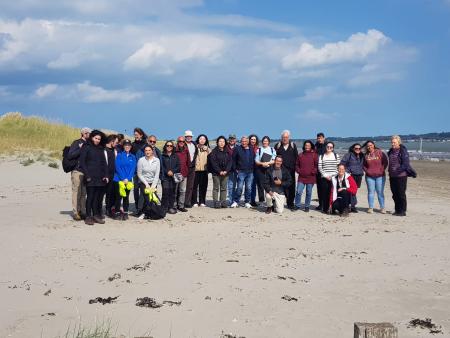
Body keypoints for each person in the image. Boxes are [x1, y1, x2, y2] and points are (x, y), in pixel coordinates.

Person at [79, 130, 109, 225]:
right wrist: (87, 176)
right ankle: (88, 216)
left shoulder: (101, 148)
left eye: (99, 139)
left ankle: (96, 215)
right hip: (90, 177)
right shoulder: (86, 147)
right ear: (92, 137)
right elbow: (82, 163)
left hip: (100, 177)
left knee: (97, 197)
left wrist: (106, 175)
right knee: (90, 197)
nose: (97, 140)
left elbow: (104, 163)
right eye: (96, 138)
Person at [67, 127, 91, 220]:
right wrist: (80, 149)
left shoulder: (89, 144)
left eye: (89, 133)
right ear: (82, 134)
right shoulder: (77, 142)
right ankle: (75, 212)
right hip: (77, 170)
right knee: (76, 191)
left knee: (83, 192)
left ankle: (82, 211)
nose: (88, 134)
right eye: (87, 133)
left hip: (86, 172)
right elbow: (70, 155)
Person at [135, 134, 162, 215]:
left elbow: (157, 174)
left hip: (153, 180)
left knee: (152, 196)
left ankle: (150, 211)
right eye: (151, 141)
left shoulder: (157, 155)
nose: (152, 142)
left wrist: (153, 185)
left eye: (154, 141)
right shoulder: (141, 156)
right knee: (143, 197)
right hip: (143, 180)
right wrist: (146, 184)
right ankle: (140, 211)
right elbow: (139, 173)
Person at [388, 135, 414, 216]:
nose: (393, 144)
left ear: (399, 142)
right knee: (394, 194)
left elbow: (406, 164)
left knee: (401, 193)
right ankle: (397, 210)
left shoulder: (403, 151)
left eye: (394, 142)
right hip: (392, 176)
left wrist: (397, 170)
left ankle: (402, 211)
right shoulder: (390, 151)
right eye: (392, 142)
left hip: (401, 176)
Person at [274, 130, 298, 210]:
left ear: (289, 137)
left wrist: (296, 168)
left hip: (291, 171)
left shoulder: (293, 145)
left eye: (286, 137)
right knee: (278, 186)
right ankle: (276, 203)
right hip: (279, 170)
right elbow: (274, 157)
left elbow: (297, 158)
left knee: (291, 187)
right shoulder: (277, 145)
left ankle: (290, 203)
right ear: (281, 138)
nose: (285, 139)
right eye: (283, 137)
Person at [113, 139, 136, 220]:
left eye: (129, 145)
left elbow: (133, 169)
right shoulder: (119, 155)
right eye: (126, 145)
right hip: (118, 179)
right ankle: (117, 212)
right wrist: (123, 178)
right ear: (123, 146)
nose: (127, 146)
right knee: (118, 197)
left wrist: (128, 178)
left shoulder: (133, 157)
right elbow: (117, 167)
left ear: (130, 146)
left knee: (126, 197)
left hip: (128, 180)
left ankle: (125, 212)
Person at [363, 140, 388, 214]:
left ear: (373, 145)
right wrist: (367, 171)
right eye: (368, 146)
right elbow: (363, 165)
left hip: (380, 176)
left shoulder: (379, 152)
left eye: (371, 145)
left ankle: (382, 208)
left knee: (380, 192)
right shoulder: (366, 155)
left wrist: (381, 170)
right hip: (369, 176)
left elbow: (385, 162)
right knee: (371, 192)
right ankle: (371, 208)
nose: (369, 147)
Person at [208, 136, 233, 208]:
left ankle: (223, 202)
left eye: (223, 142)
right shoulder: (214, 152)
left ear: (225, 143)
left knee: (224, 188)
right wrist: (219, 171)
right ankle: (216, 202)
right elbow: (213, 163)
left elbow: (230, 162)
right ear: (217, 142)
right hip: (216, 173)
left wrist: (226, 170)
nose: (221, 143)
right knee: (216, 188)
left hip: (226, 173)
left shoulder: (227, 152)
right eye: (220, 141)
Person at [340, 143, 364, 212]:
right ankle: (350, 206)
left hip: (359, 175)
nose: (358, 150)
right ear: (353, 148)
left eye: (359, 148)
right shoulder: (348, 155)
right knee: (350, 190)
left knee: (355, 191)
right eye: (356, 148)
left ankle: (352, 205)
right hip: (351, 175)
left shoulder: (362, 155)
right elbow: (342, 163)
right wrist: (347, 171)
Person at [295, 140, 318, 212]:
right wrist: (299, 171)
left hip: (311, 177)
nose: (307, 146)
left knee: (309, 192)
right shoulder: (300, 155)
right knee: (298, 191)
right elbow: (296, 165)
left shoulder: (314, 155)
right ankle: (297, 205)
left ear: (311, 146)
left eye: (308, 145)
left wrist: (313, 171)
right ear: (304, 146)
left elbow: (317, 165)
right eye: (306, 145)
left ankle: (307, 206)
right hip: (301, 177)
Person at [231, 136, 254, 208]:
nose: (244, 143)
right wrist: (235, 169)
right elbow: (233, 160)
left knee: (248, 188)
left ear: (248, 142)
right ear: (241, 142)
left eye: (245, 141)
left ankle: (247, 201)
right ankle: (236, 201)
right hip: (241, 171)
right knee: (239, 187)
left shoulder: (251, 149)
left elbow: (253, 159)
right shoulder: (237, 149)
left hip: (250, 172)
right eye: (242, 141)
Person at [318, 141, 340, 213]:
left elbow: (339, 167)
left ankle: (333, 208)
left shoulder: (336, 156)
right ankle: (325, 209)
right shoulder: (321, 156)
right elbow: (320, 167)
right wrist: (326, 176)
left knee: (334, 193)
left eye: (331, 147)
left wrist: (333, 175)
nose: (329, 148)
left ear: (333, 148)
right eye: (328, 147)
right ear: (325, 147)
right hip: (324, 178)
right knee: (325, 193)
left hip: (334, 177)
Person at [254, 136, 277, 208]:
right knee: (260, 185)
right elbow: (256, 161)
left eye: (266, 141)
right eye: (264, 141)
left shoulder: (272, 149)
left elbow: (274, 160)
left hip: (269, 169)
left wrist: (268, 163)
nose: (265, 142)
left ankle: (270, 201)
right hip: (260, 169)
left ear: (269, 142)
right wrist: (262, 164)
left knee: (269, 185)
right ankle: (261, 201)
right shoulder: (259, 150)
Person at [161, 141, 180, 215]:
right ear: (165, 146)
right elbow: (161, 166)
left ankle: (170, 207)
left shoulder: (176, 156)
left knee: (172, 193)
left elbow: (178, 166)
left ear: (173, 147)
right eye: (168, 145)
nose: (169, 147)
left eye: (171, 146)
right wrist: (167, 172)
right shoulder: (162, 156)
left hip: (173, 177)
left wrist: (172, 171)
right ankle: (164, 207)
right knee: (165, 192)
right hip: (165, 177)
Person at [192, 134, 211, 207]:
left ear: (206, 140)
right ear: (198, 140)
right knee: (194, 186)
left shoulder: (208, 149)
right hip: (195, 170)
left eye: (204, 139)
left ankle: (202, 201)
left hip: (204, 170)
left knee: (203, 186)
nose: (202, 140)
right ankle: (194, 201)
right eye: (200, 139)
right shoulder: (194, 147)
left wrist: (207, 149)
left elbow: (212, 157)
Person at [131, 128, 147, 213]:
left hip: (145, 169)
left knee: (143, 188)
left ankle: (143, 206)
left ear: (141, 135)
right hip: (135, 170)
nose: (136, 136)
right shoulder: (132, 145)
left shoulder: (145, 144)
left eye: (137, 134)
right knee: (136, 189)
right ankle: (138, 207)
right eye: (135, 134)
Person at [104, 134, 118, 218]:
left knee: (111, 194)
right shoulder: (103, 150)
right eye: (116, 142)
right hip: (105, 176)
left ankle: (109, 210)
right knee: (101, 194)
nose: (116, 144)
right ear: (111, 141)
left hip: (113, 175)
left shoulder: (114, 150)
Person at [174, 136, 190, 212]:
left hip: (184, 173)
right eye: (180, 141)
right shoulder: (174, 150)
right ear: (177, 142)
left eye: (183, 141)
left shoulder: (186, 150)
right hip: (176, 174)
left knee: (182, 190)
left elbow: (188, 161)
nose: (181, 143)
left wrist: (187, 170)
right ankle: (174, 206)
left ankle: (181, 205)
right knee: (175, 191)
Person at [249, 134, 265, 207]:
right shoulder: (247, 148)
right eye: (251, 139)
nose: (253, 141)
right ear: (249, 140)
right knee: (251, 186)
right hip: (250, 169)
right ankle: (252, 200)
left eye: (254, 139)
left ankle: (261, 200)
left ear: (256, 141)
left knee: (260, 185)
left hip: (258, 169)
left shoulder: (258, 149)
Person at [184, 130, 198, 208]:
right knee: (182, 186)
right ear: (185, 137)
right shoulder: (182, 144)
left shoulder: (194, 144)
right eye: (187, 136)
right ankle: (180, 202)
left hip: (192, 167)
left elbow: (195, 154)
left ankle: (187, 202)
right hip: (184, 167)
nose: (189, 137)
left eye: (190, 136)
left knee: (190, 185)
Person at [314, 132, 327, 211]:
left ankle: (325, 204)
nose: (319, 139)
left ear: (324, 138)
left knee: (325, 188)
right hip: (318, 170)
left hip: (326, 170)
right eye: (318, 138)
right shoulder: (315, 146)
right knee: (319, 188)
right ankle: (320, 204)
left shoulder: (327, 146)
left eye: (321, 138)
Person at [226, 134, 238, 206]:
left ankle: (235, 200)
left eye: (233, 139)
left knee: (237, 186)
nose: (232, 140)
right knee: (230, 186)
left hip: (236, 169)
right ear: (228, 139)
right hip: (228, 170)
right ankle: (231, 201)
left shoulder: (238, 147)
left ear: (235, 140)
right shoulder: (225, 147)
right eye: (230, 138)